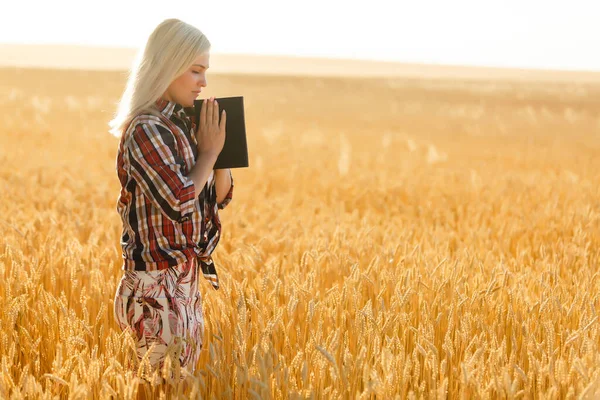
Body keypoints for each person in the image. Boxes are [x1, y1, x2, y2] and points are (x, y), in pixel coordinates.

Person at [108, 18, 234, 380]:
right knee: (159, 387)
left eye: (206, 71)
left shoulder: (187, 126)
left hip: (186, 283)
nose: (204, 82)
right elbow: (180, 202)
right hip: (154, 289)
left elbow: (218, 197)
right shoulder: (145, 129)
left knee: (180, 386)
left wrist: (222, 154)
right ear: (169, 66)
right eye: (196, 71)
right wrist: (208, 155)